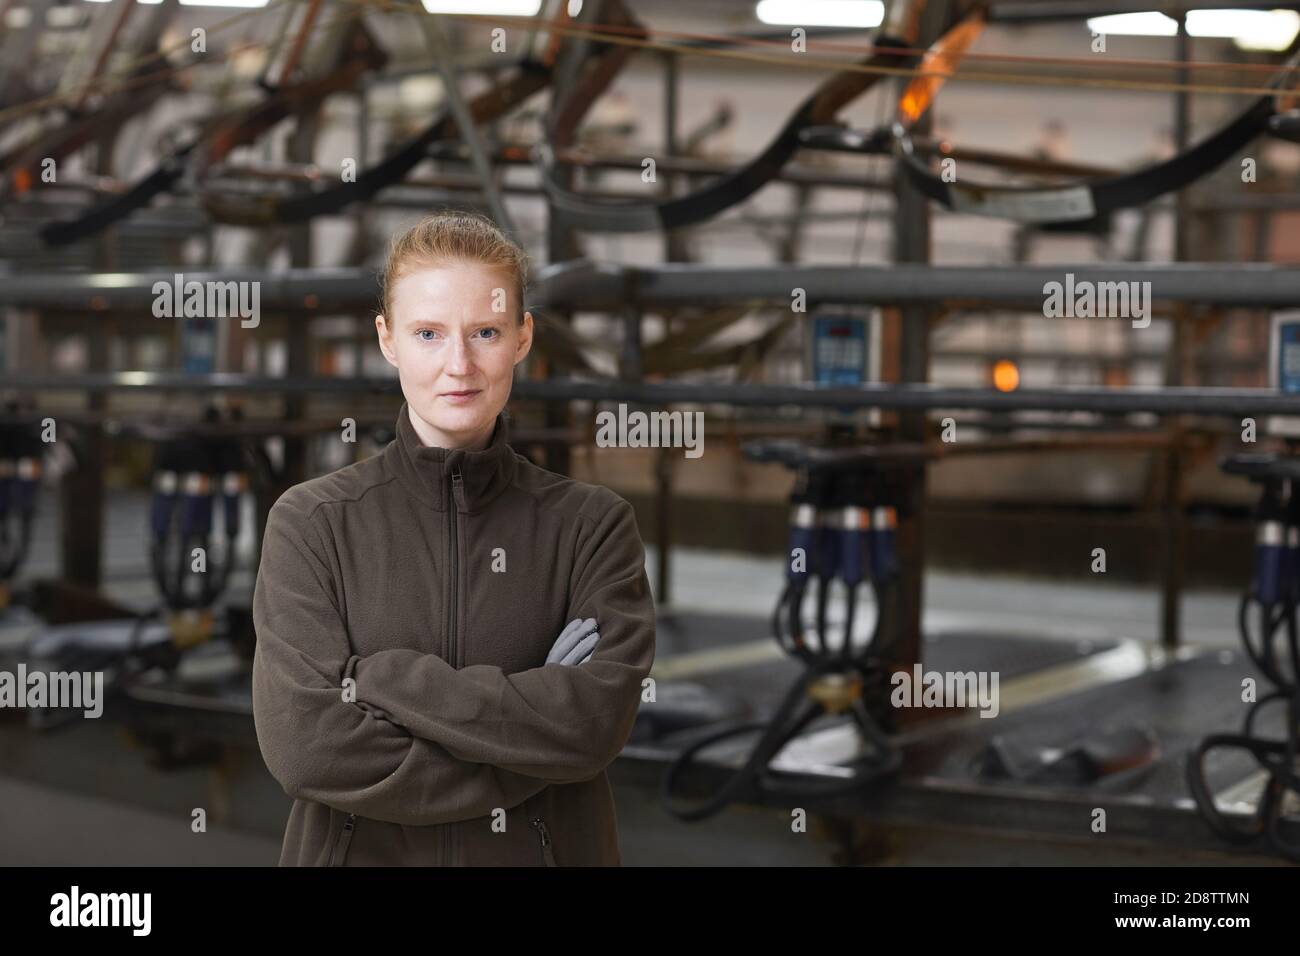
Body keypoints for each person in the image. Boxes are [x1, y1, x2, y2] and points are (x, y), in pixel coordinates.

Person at [251, 211, 657, 865]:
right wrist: (534, 752)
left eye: (486, 331)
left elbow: (591, 726)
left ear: (523, 337)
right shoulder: (313, 523)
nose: (459, 364)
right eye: (429, 333)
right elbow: (309, 749)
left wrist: (382, 680)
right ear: (388, 340)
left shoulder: (591, 526)